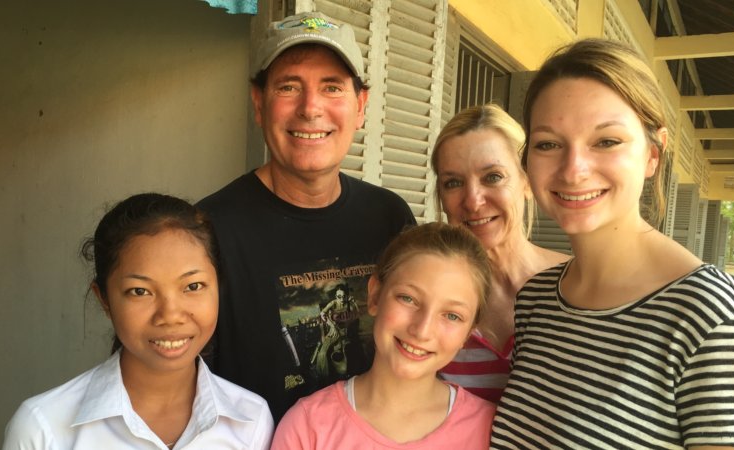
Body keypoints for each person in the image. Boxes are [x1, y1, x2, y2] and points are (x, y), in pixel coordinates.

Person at [490, 38, 734, 449]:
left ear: (653, 154)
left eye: (607, 141)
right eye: (548, 144)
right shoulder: (538, 300)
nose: (574, 169)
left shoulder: (708, 316)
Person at [195, 11, 415, 422]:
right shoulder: (206, 228)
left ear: (361, 106)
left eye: (331, 88)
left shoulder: (390, 217)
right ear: (259, 104)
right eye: (289, 87)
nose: (310, 108)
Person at [3, 193, 273, 450]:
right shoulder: (44, 427)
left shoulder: (251, 420)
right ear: (104, 299)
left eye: (193, 286)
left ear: (218, 286)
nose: (170, 315)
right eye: (140, 291)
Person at [271, 223, 496, 449]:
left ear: (468, 332)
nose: (422, 330)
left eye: (452, 315)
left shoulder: (493, 433)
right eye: (408, 299)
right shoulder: (307, 426)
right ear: (375, 295)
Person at [431, 104, 569, 401]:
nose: (473, 201)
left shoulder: (581, 285)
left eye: (492, 177)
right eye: (453, 183)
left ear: (527, 181)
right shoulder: (430, 301)